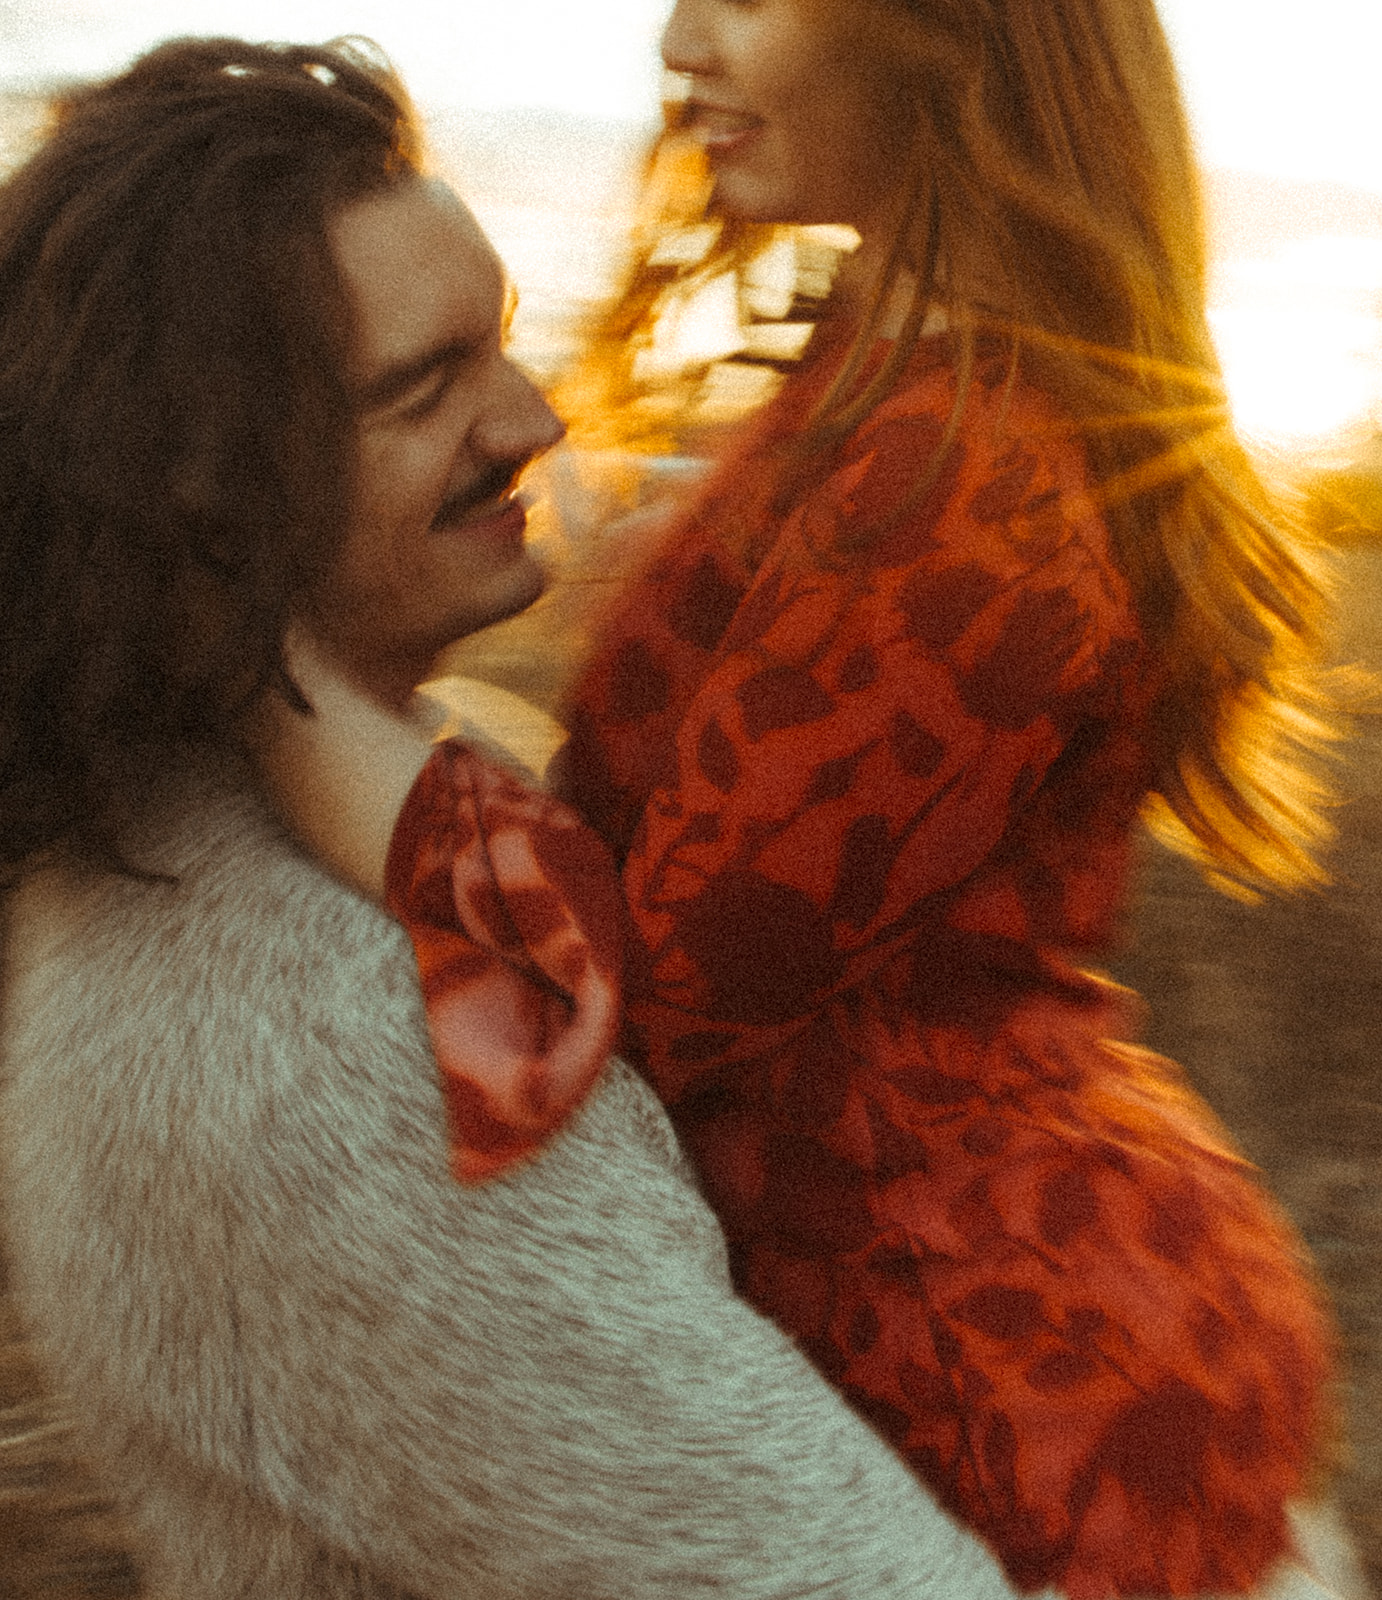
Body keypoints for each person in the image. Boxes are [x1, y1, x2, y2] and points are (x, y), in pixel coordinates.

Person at [337, 0, 1369, 1595]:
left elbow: (600, 1026)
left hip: (1001, 1405)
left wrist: (290, 708)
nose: (677, 41)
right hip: (979, 1298)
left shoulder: (962, 472)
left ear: (953, 31)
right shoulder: (881, 373)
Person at [0, 37, 1044, 1600]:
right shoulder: (320, 1051)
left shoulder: (369, 788)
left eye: (498, 344)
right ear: (207, 488)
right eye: (427, 389)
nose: (536, 419)